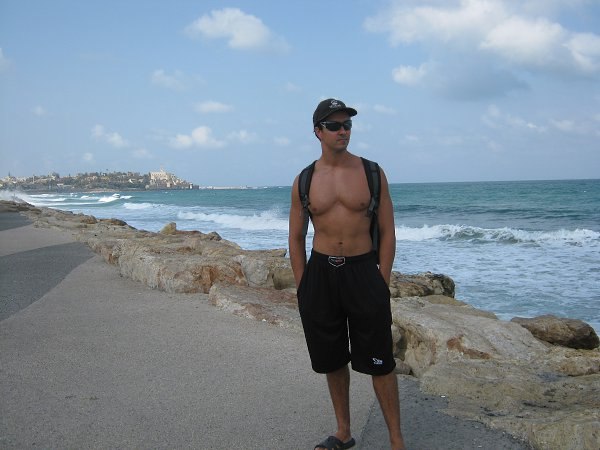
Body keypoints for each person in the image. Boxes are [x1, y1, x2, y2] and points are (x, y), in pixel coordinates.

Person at [289, 98, 406, 450]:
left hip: (362, 271)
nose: (343, 131)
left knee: (380, 360)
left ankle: (396, 440)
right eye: (335, 126)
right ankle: (343, 431)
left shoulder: (371, 173)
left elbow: (388, 231)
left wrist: (381, 281)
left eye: (347, 125)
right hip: (321, 274)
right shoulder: (305, 180)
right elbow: (296, 237)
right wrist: (304, 286)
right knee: (332, 358)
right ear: (317, 132)